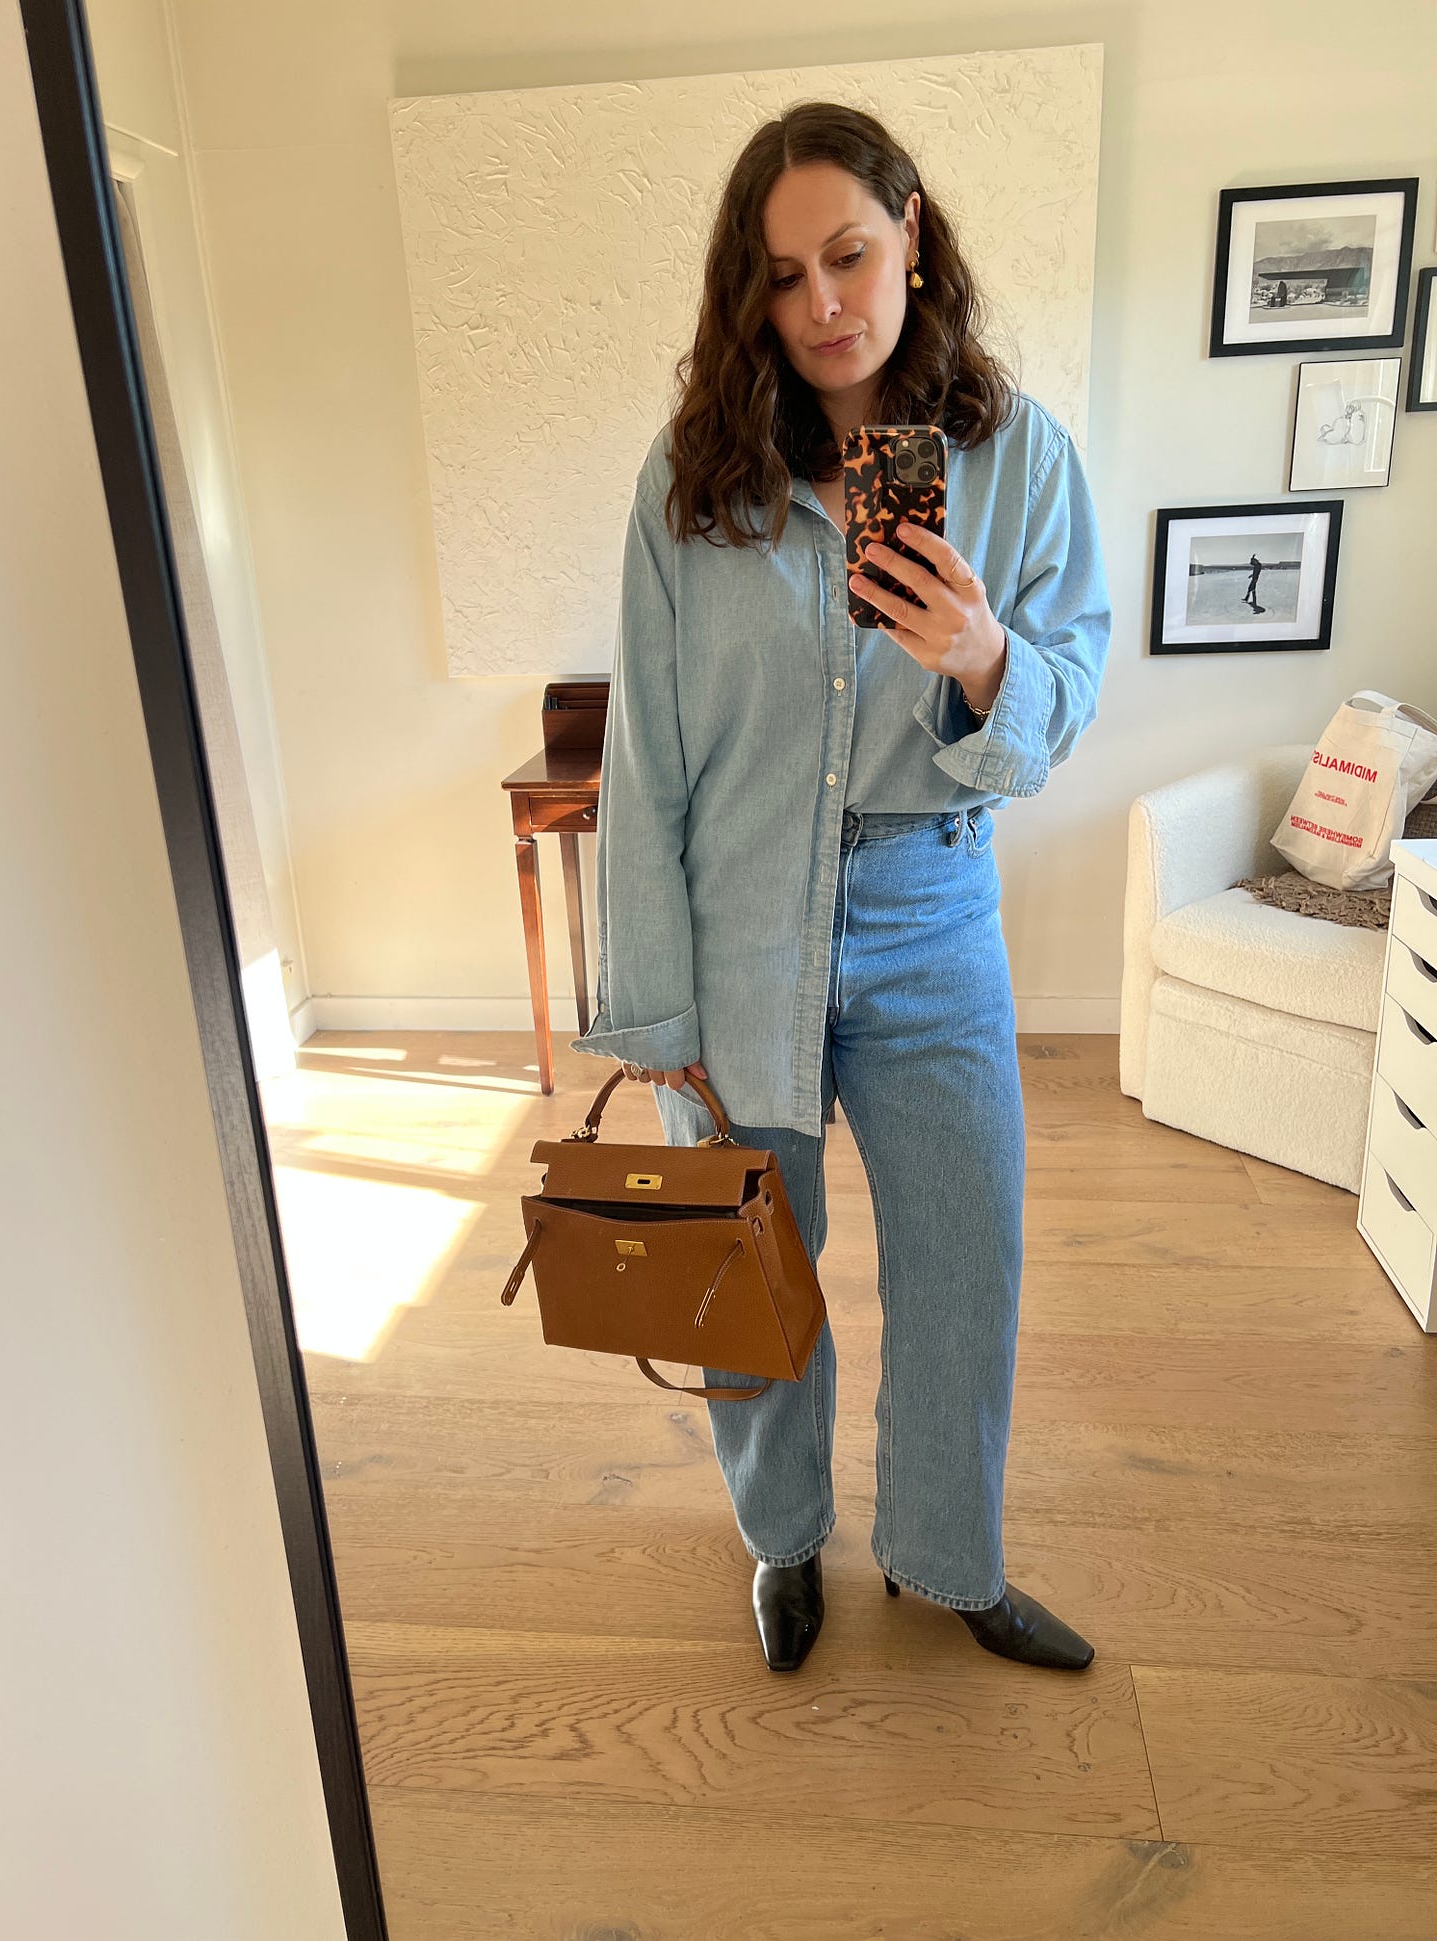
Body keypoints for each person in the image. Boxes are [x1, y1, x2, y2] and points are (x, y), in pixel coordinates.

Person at [570, 102, 1111, 1674]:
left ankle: (950, 1557)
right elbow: (645, 756)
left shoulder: (1019, 457)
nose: (824, 303)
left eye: (851, 255)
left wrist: (984, 656)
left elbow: (1070, 687)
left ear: (913, 235)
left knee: (967, 1259)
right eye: (785, 274)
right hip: (738, 922)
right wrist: (655, 1004)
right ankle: (784, 1541)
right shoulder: (695, 480)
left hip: (934, 910)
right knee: (745, 1268)